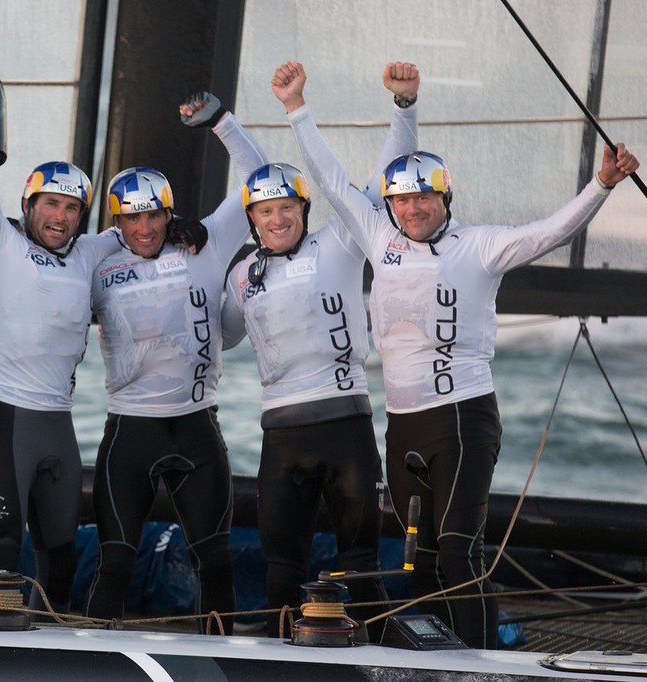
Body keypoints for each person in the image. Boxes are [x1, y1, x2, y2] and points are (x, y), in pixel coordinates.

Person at [271, 59, 640, 648]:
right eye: (401, 202)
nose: (411, 211)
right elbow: (333, 181)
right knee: (415, 559)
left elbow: (552, 232)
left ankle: (481, 662)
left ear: (445, 198)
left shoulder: (481, 246)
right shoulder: (380, 236)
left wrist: (601, 185)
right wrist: (296, 109)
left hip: (462, 420)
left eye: (423, 200)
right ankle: (428, 656)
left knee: (457, 551)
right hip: (404, 425)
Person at [0, 42, 207, 618]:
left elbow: (139, 230)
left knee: (63, 557)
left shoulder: (90, 252)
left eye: (72, 208)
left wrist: (178, 227)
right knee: (0, 553)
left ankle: (52, 654)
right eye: (50, 205)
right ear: (28, 205)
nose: (61, 217)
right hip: (6, 417)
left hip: (58, 424)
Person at [221, 63, 420, 641]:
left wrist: (403, 108)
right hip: (280, 436)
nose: (277, 218)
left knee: (360, 564)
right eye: (264, 211)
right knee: (282, 568)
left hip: (346, 426)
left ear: (304, 212)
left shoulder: (338, 243)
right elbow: (224, 337)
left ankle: (380, 658)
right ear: (252, 220)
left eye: (287, 209)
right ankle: (283, 661)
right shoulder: (242, 275)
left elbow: (381, 181)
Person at [84, 93, 266, 633]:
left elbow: (261, 177)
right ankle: (93, 659)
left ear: (170, 212)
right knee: (114, 561)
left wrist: (222, 123)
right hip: (129, 431)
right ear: (117, 220)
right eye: (132, 219)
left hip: (195, 426)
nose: (145, 229)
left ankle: (223, 656)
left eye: (156, 216)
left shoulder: (202, 245)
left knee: (216, 560)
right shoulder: (99, 260)